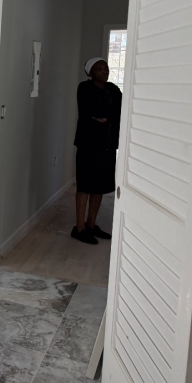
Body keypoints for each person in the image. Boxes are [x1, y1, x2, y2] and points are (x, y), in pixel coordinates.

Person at [72, 57, 122, 244]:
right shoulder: (84, 88)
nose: (104, 71)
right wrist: (105, 115)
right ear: (90, 73)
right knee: (85, 184)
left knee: (99, 186)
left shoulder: (113, 90)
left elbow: (119, 111)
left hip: (107, 145)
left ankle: (91, 224)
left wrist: (105, 117)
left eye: (106, 68)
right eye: (99, 69)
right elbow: (91, 110)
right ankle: (79, 227)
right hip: (88, 144)